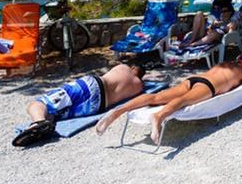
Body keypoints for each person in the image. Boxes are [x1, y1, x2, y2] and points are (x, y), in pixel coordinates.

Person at [95, 51, 242, 144]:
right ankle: (158, 116)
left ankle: (118, 112)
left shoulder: (226, 63)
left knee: (156, 97)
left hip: (193, 79)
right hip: (208, 87)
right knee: (185, 100)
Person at [12, 62, 146, 147]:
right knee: (58, 113)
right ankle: (45, 125)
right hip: (96, 107)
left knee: (39, 103)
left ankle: (38, 122)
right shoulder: (139, 86)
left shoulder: (123, 67)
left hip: (90, 86)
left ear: (133, 67)